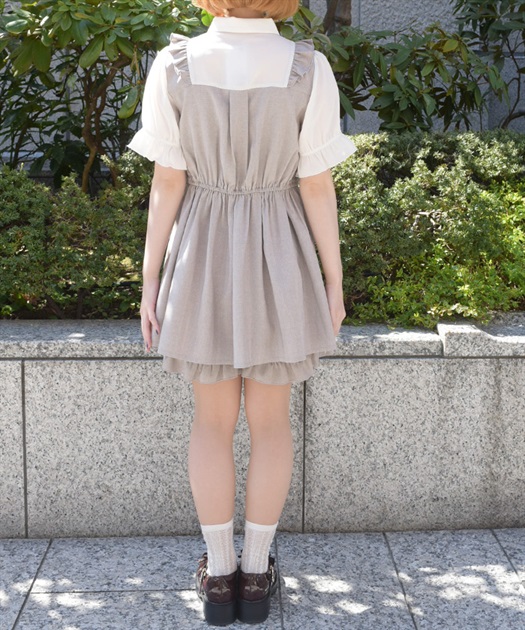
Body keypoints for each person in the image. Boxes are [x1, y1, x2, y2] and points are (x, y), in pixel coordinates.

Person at [127, 0, 356, 625]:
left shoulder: (174, 64)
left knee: (211, 422)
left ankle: (220, 574)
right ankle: (255, 577)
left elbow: (167, 182)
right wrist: (333, 281)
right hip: (279, 254)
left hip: (202, 254)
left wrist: (151, 281)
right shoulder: (307, 67)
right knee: (272, 423)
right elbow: (316, 184)